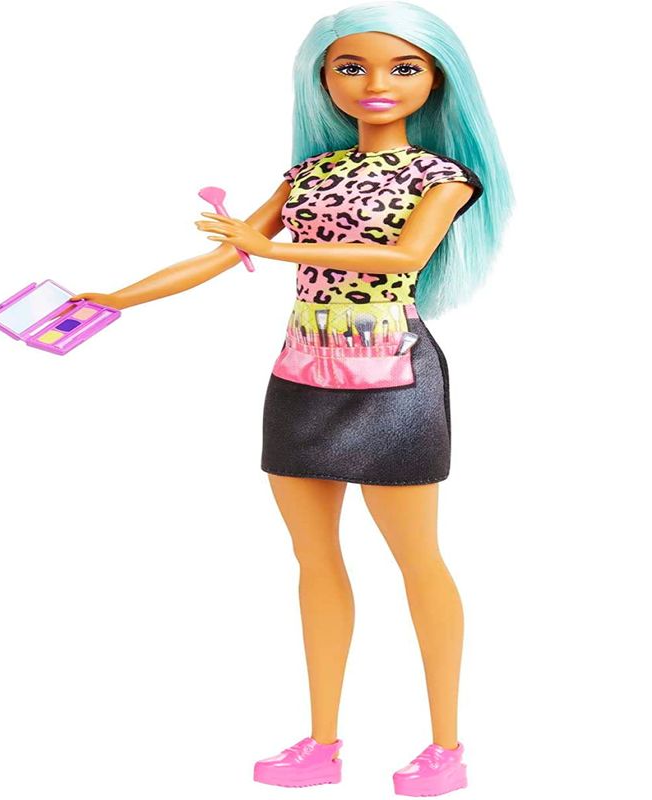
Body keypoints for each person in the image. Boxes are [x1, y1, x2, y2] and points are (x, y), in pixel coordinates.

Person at [70, 2, 513, 796]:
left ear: (436, 79)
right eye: (352, 67)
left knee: (417, 561)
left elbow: (401, 257)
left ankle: (445, 745)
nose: (376, 83)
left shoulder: (442, 178)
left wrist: (269, 249)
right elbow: (222, 255)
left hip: (392, 377)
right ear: (324, 79)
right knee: (314, 560)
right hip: (302, 375)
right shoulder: (308, 174)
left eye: (403, 67)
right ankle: (322, 742)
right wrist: (116, 298)